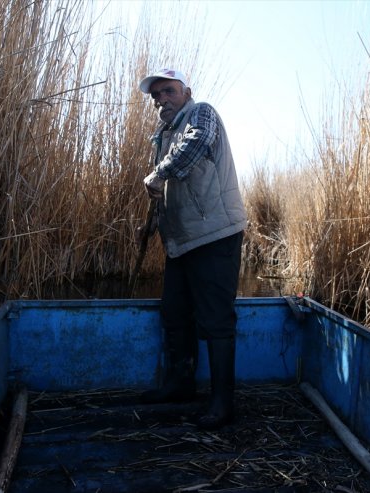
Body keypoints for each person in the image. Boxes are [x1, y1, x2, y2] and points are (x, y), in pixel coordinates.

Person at [137, 68, 247, 430]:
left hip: (215, 234)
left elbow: (196, 145)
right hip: (182, 242)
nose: (161, 100)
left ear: (186, 91)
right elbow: (167, 191)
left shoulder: (202, 113)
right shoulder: (164, 135)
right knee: (174, 312)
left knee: (215, 320)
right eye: (156, 97)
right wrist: (153, 224)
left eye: (168, 91)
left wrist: (158, 174)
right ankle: (180, 385)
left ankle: (222, 405)